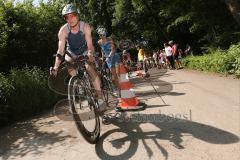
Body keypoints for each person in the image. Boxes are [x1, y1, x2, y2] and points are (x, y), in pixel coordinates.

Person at [50, 4, 106, 112]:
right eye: (67, 17)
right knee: (69, 63)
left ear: (78, 16)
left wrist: (90, 53)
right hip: (71, 52)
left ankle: (100, 98)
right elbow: (60, 51)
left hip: (85, 50)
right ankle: (79, 84)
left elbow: (90, 44)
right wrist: (55, 67)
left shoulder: (85, 26)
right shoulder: (63, 31)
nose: (70, 19)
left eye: (72, 15)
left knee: (90, 68)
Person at [97, 27, 120, 92]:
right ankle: (119, 90)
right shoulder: (99, 42)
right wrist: (102, 57)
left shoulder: (110, 39)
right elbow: (102, 50)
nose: (101, 36)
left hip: (114, 57)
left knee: (118, 74)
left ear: (105, 34)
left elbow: (113, 49)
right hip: (108, 60)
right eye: (100, 35)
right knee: (114, 76)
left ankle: (121, 88)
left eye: (103, 34)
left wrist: (108, 57)